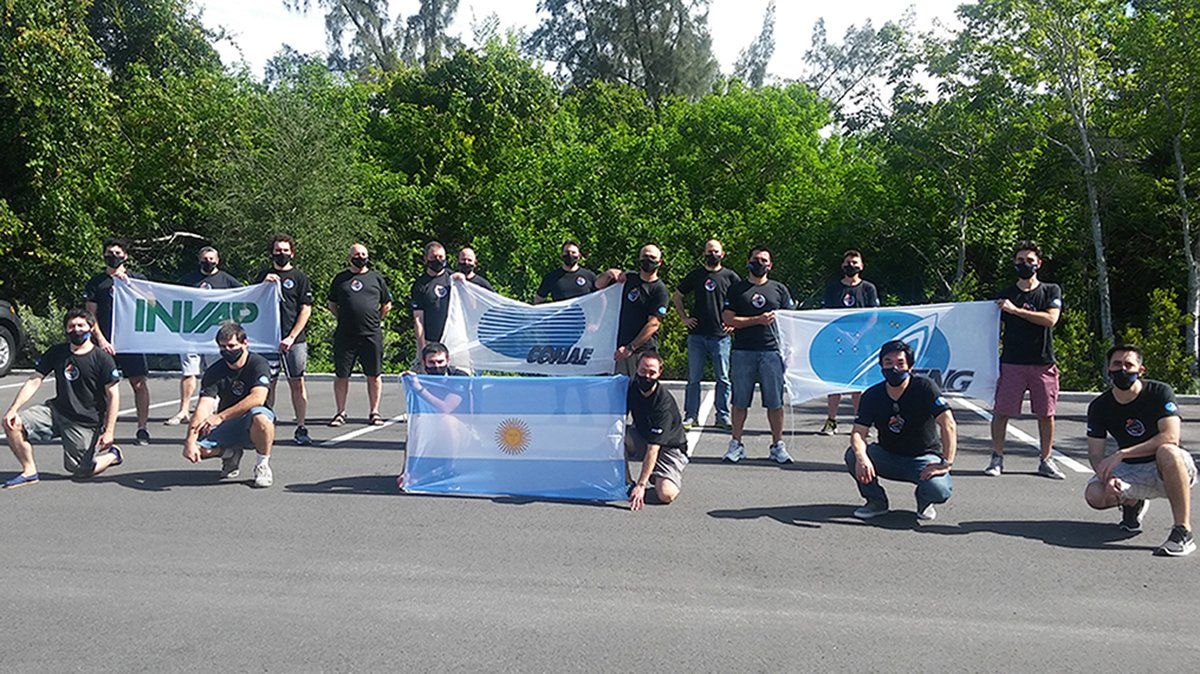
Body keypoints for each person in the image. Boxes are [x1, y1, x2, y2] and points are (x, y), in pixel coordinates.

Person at [1084, 344, 1196, 557]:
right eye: (1117, 364)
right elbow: (1095, 454)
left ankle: (1183, 531)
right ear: (1108, 369)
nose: (1122, 370)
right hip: (1132, 470)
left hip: (1168, 469)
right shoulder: (1099, 406)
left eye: (1129, 365)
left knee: (1168, 451)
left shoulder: (1160, 392)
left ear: (1140, 370)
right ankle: (1132, 503)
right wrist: (1108, 478)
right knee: (1094, 495)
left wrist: (1122, 453)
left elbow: (1171, 437)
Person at [3, 309, 123, 487]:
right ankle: (29, 471)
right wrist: (13, 409)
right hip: (56, 411)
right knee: (12, 423)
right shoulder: (57, 352)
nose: (76, 330)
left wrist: (109, 432)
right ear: (66, 330)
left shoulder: (102, 359)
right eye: (71, 326)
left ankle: (113, 454)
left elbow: (113, 396)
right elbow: (34, 380)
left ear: (90, 328)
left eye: (81, 325)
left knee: (80, 471)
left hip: (85, 421)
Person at [845, 340, 956, 521]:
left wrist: (946, 462)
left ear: (910, 366)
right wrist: (861, 457)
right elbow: (858, 432)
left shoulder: (925, 387)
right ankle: (876, 502)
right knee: (852, 455)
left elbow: (948, 424)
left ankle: (924, 500)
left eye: (900, 363)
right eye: (888, 363)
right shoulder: (872, 395)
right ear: (881, 365)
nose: (894, 368)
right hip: (888, 455)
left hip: (923, 458)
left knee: (939, 490)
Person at [986, 241, 1066, 480]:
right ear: (1014, 263)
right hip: (1011, 363)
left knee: (1046, 414)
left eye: (1030, 261)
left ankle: (1046, 459)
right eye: (1020, 261)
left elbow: (1051, 320)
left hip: (1043, 363)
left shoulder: (1051, 291)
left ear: (1039, 264)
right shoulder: (1005, 294)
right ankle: (996, 457)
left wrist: (1016, 311)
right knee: (1001, 412)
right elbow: (986, 325)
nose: (1025, 265)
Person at [721, 246, 795, 465]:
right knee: (740, 401)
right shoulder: (737, 290)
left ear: (770, 265)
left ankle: (777, 445)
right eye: (755, 259)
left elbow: (789, 320)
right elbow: (728, 319)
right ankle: (736, 444)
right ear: (748, 262)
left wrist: (790, 350)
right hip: (743, 351)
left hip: (772, 351)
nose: (759, 263)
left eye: (764, 260)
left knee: (775, 401)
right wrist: (757, 320)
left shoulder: (779, 289)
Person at [182, 321, 276, 488]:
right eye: (223, 347)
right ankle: (230, 453)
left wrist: (220, 417)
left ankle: (262, 465)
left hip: (250, 420)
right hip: (227, 422)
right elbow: (203, 406)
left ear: (244, 343)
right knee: (197, 449)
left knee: (261, 417)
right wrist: (190, 439)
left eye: (232, 346)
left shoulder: (258, 363)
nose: (228, 351)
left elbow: (258, 398)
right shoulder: (214, 371)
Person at [83, 238, 152, 445]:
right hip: (105, 341)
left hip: (131, 340)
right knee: (105, 386)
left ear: (125, 256)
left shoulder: (136, 279)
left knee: (138, 383)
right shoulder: (96, 282)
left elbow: (153, 302)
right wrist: (101, 340)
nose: (113, 256)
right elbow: (90, 315)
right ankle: (103, 428)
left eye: (117, 253)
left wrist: (128, 284)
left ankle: (142, 429)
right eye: (109, 253)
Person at [166, 246, 241, 426]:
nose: (208, 262)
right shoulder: (189, 280)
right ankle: (184, 410)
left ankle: (215, 409)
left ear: (218, 260)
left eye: (211, 258)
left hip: (216, 335)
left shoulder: (226, 280)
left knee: (215, 371)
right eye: (205, 258)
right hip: (191, 334)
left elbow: (246, 297)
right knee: (189, 372)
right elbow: (170, 296)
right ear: (199, 260)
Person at [672, 239, 738, 431]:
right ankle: (691, 416)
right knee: (694, 378)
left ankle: (722, 416)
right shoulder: (696, 275)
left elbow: (742, 300)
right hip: (697, 336)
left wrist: (734, 322)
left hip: (721, 335)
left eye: (716, 251)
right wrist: (684, 318)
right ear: (704, 254)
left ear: (722, 254)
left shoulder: (730, 276)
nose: (712, 255)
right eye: (709, 252)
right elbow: (677, 296)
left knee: (723, 378)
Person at [256, 234, 314, 446]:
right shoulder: (263, 275)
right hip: (267, 340)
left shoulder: (299, 277)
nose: (281, 254)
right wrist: (262, 285)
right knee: (266, 383)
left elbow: (306, 309)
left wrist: (291, 336)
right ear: (272, 252)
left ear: (292, 253)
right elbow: (251, 302)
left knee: (297, 383)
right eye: (278, 250)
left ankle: (301, 427)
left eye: (285, 250)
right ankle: (265, 424)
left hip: (294, 341)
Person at [328, 243, 392, 427]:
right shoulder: (340, 279)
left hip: (371, 334)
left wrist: (375, 319)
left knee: (374, 374)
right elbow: (332, 304)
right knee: (341, 375)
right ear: (349, 257)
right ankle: (340, 412)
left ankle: (374, 412)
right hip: (345, 334)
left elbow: (386, 304)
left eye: (364, 254)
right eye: (357, 254)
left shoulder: (376, 278)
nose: (361, 257)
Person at [820, 249, 881, 436]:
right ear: (842, 265)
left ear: (861, 266)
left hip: (861, 343)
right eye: (848, 262)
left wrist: (857, 335)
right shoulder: (833, 288)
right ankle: (831, 421)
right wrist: (843, 334)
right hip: (836, 342)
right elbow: (826, 316)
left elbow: (874, 316)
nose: (851, 266)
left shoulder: (868, 288)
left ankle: (860, 422)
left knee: (859, 385)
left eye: (855, 263)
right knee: (834, 383)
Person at [625, 351, 689, 510]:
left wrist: (641, 485)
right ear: (636, 369)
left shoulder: (663, 404)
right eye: (642, 371)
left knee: (666, 495)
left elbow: (653, 449)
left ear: (660, 373)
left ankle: (659, 476)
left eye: (652, 372)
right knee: (617, 436)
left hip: (669, 448)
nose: (646, 376)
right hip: (643, 438)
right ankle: (626, 483)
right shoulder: (630, 387)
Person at [596, 244, 669, 378]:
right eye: (644, 256)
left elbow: (654, 324)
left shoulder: (659, 290)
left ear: (659, 262)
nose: (648, 260)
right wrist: (609, 273)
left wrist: (631, 347)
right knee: (620, 389)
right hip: (620, 346)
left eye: (652, 257)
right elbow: (598, 285)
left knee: (640, 388)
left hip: (641, 349)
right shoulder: (628, 279)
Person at [411, 241, 452, 356]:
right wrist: (423, 347)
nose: (438, 260)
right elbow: (418, 319)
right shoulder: (419, 285)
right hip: (430, 340)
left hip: (453, 340)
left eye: (441, 257)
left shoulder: (453, 280)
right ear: (426, 259)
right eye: (433, 257)